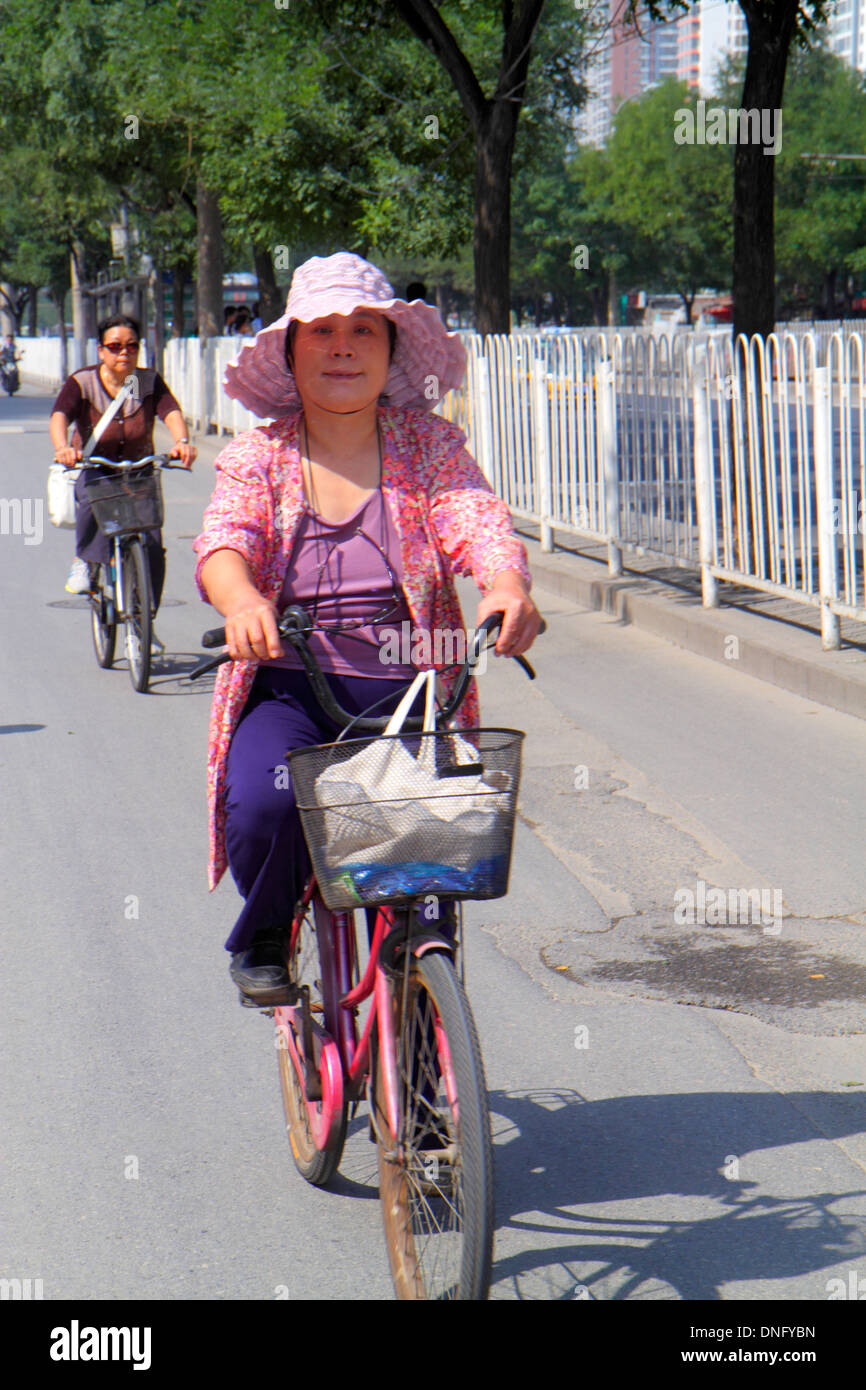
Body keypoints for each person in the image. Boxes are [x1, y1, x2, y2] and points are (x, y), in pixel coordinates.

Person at [193, 252, 540, 1003]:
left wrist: (506, 587)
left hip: (409, 695)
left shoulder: (430, 446)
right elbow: (224, 542)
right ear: (291, 353)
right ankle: (267, 930)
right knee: (266, 804)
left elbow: (476, 520)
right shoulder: (259, 456)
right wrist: (242, 601)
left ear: (390, 351)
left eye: (363, 331)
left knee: (434, 846)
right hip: (291, 691)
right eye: (321, 331)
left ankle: (424, 1017)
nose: (343, 347)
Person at [50, 315, 196, 597]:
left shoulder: (142, 382)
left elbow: (170, 411)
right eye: (115, 346)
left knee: (152, 543)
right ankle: (86, 560)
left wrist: (183, 442)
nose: (124, 353)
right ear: (101, 350)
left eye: (131, 346)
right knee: (92, 500)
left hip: (139, 469)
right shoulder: (84, 381)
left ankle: (144, 615)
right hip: (96, 467)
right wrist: (62, 448)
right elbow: (60, 416)